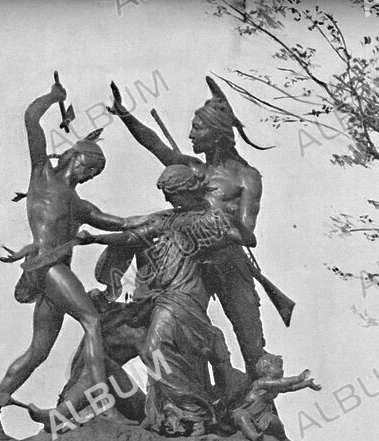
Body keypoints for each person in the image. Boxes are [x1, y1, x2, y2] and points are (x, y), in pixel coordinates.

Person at [0, 76, 134, 440]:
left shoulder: (80, 205)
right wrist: (53, 97)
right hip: (47, 267)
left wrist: (161, 218)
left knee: (38, 351)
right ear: (75, 155)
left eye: (94, 174)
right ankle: (104, 406)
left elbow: (123, 223)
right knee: (92, 320)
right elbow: (32, 120)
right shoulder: (41, 176)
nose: (89, 175)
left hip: (51, 275)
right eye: (89, 167)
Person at [108, 76, 293, 380]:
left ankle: (262, 409)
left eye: (198, 128)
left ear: (218, 134)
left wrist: (217, 225)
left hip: (228, 263)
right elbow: (154, 144)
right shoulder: (193, 169)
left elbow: (249, 234)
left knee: (251, 344)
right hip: (187, 265)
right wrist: (125, 115)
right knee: (170, 331)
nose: (191, 134)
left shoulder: (247, 177)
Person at [74, 163, 247, 437]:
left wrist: (218, 224)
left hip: (184, 297)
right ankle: (176, 415)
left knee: (157, 349)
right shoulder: (165, 219)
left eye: (171, 193)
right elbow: (131, 231)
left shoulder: (205, 219)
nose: (167, 199)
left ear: (187, 190)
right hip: (162, 298)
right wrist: (94, 237)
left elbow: (244, 237)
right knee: (166, 354)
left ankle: (194, 411)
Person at [230, 354, 321, 441]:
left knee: (275, 422)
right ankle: (254, 436)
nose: (282, 370)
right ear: (267, 369)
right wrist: (299, 378)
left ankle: (284, 440)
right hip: (247, 412)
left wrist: (306, 384)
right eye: (279, 367)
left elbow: (291, 387)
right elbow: (281, 382)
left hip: (262, 416)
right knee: (241, 416)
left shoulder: (275, 386)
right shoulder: (262, 382)